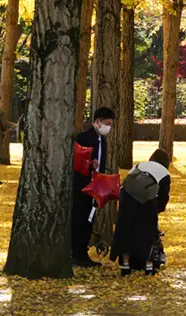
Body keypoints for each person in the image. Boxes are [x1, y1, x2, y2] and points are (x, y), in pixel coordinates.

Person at [111, 148, 171, 276]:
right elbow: (163, 196)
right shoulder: (164, 173)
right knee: (148, 232)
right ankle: (148, 265)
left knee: (126, 230)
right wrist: (157, 210)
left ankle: (126, 265)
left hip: (127, 196)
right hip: (147, 200)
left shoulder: (139, 165)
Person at [73, 107, 116, 268]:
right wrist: (89, 164)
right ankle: (76, 253)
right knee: (79, 219)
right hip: (82, 186)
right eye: (106, 123)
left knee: (89, 220)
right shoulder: (84, 137)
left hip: (95, 186)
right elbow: (77, 161)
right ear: (97, 122)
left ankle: (82, 252)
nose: (108, 127)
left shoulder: (102, 141)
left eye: (110, 124)